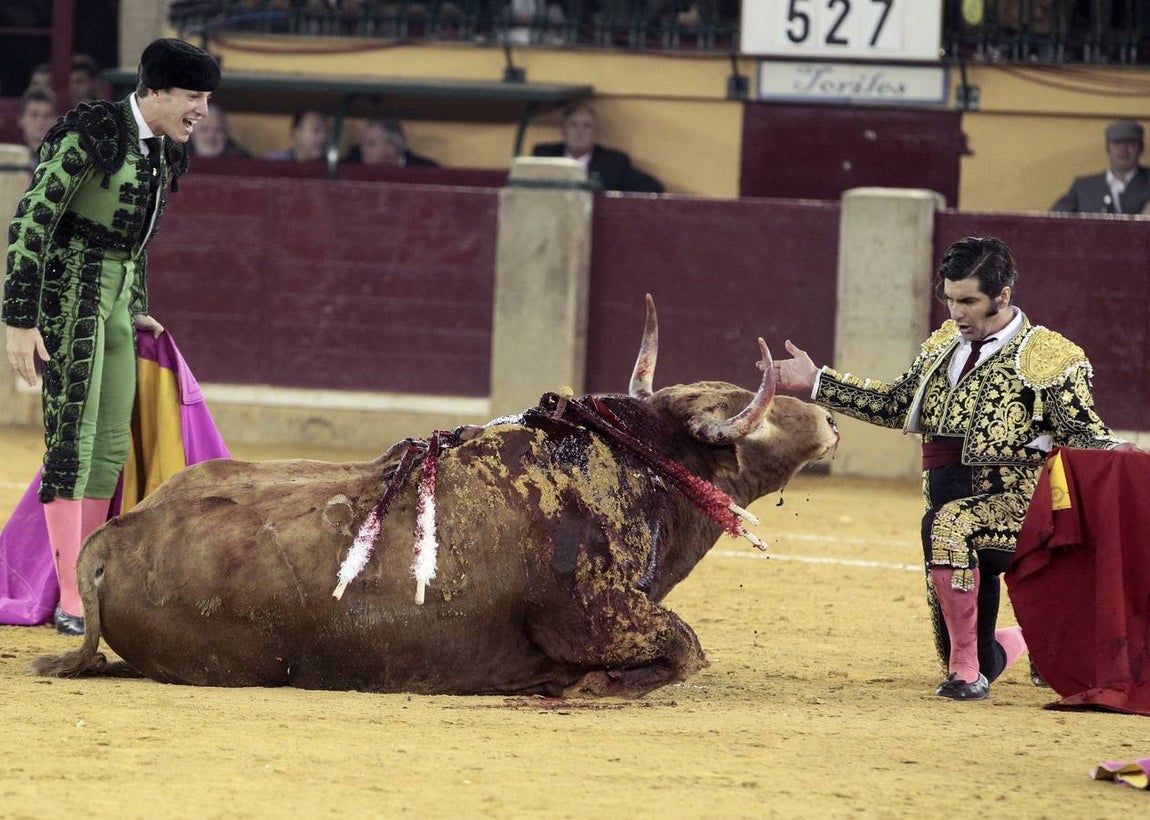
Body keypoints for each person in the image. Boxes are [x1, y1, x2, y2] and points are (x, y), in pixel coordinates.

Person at [773, 236, 1144, 701]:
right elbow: (898, 404)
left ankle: (966, 674)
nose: (956, 313)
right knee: (952, 562)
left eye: (968, 301)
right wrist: (817, 381)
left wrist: (1120, 450)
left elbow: (1083, 433)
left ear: (1002, 296)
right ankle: (1016, 644)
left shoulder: (1050, 358)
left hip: (1019, 511)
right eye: (949, 299)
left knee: (949, 526)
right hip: (945, 506)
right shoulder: (942, 346)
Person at [2, 37, 220, 636]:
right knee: (70, 443)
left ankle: (90, 576)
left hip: (117, 304)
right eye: (193, 96)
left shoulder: (160, 149)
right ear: (156, 91)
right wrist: (20, 320)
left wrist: (137, 305)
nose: (202, 110)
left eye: (206, 98)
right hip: (71, 297)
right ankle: (71, 597)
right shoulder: (93, 133)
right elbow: (31, 222)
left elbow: (135, 237)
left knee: (108, 446)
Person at [531, 99, 664, 193]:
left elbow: (653, 188)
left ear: (594, 132)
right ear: (563, 130)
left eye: (586, 126)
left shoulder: (613, 163)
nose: (579, 132)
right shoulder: (544, 156)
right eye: (573, 125)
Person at [1050, 120, 1150, 214]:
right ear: (1107, 148)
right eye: (1117, 143)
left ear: (1141, 148)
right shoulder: (1084, 188)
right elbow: (1053, 219)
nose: (1123, 149)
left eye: (1130, 143)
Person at [343, 117, 438, 167]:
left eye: (370, 143)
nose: (363, 149)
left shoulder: (425, 170)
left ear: (391, 147)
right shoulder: (351, 164)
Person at [262, 108, 328, 161]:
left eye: (326, 132)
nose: (323, 137)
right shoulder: (274, 161)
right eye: (316, 130)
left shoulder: (329, 166)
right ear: (296, 133)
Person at [16, 86, 57, 162]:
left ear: (55, 121)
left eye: (47, 115)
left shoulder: (64, 160)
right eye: (34, 115)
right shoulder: (9, 157)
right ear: (21, 119)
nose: (41, 122)